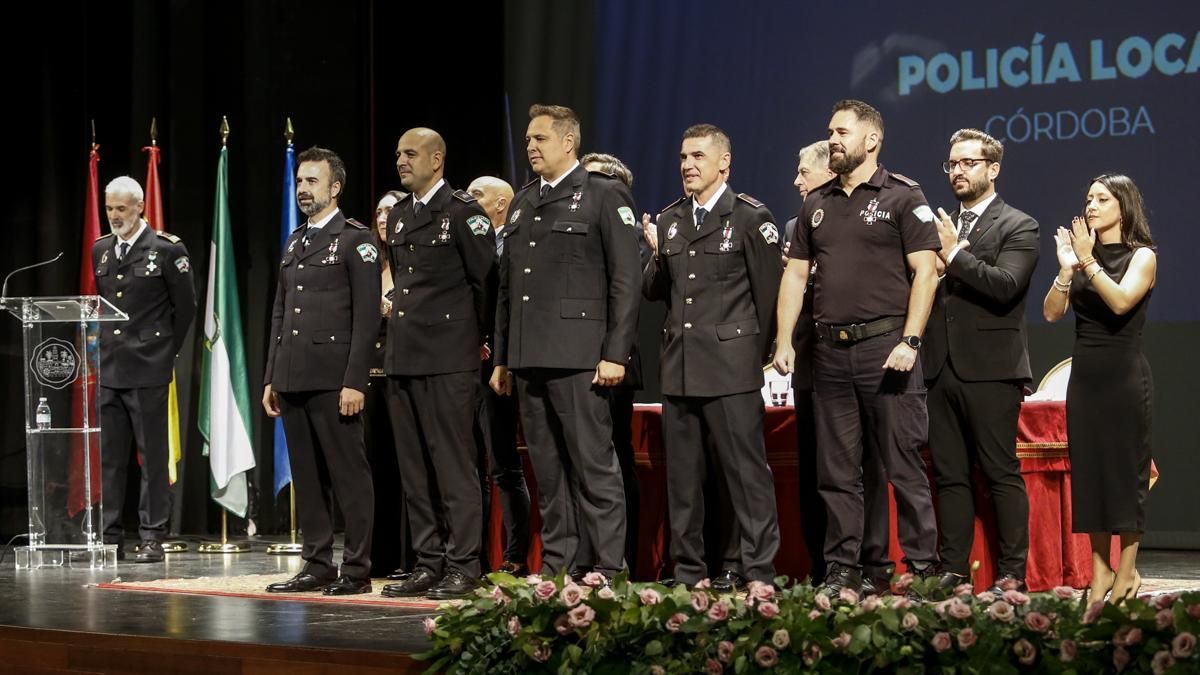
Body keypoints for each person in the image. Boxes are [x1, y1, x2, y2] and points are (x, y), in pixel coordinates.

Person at [774, 99, 941, 595]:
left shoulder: (903, 196)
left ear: (871, 140)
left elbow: (926, 272)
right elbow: (796, 275)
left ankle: (923, 568)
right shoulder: (816, 202)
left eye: (842, 131)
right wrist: (784, 339)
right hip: (829, 354)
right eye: (830, 131)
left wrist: (910, 340)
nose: (833, 139)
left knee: (902, 463)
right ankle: (844, 569)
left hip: (886, 349)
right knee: (837, 471)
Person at [490, 104, 640, 581]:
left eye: (540, 139)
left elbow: (625, 280)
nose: (530, 147)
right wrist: (503, 357)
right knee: (549, 472)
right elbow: (510, 288)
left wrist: (615, 352)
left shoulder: (603, 194)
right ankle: (561, 566)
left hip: (580, 356)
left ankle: (609, 566)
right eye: (528, 140)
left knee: (594, 466)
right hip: (529, 356)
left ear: (568, 142)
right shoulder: (524, 202)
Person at [642, 124, 783, 589]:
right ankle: (689, 572)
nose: (687, 165)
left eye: (698, 156)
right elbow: (656, 291)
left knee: (745, 476)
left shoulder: (749, 217)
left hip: (730, 366)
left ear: (724, 162)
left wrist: (756, 354)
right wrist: (655, 255)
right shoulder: (670, 220)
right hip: (680, 366)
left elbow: (767, 295)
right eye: (683, 157)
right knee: (683, 480)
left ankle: (757, 569)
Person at [379, 128, 497, 600]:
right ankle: (427, 561)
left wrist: (480, 342)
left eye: (410, 154)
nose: (401, 161)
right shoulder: (403, 215)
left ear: (437, 158)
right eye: (398, 153)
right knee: (414, 467)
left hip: (449, 357)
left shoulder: (463, 213)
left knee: (452, 464)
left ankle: (464, 564)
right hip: (403, 355)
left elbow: (486, 282)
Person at [925, 129, 1039, 594]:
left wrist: (951, 254)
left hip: (993, 368)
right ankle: (952, 571)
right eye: (952, 163)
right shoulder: (937, 225)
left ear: (993, 169)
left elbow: (1005, 285)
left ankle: (1012, 574)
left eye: (968, 163)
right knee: (949, 475)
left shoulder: (1019, 225)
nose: (958, 171)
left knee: (999, 471)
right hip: (939, 366)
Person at [262, 147, 379, 596]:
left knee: (349, 476)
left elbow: (367, 318)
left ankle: (356, 569)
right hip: (293, 377)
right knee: (307, 480)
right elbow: (279, 314)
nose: (304, 189)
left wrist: (354, 380)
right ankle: (317, 563)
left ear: (335, 187)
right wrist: (272, 376)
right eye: (300, 182)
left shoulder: (356, 240)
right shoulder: (296, 241)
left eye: (313, 181)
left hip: (334, 380)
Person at [1042, 173, 1156, 606]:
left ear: (1123, 206)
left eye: (1102, 199)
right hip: (1086, 378)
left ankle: (1127, 572)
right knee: (1090, 475)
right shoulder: (1080, 257)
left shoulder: (1142, 256)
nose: (1091, 206)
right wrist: (1067, 270)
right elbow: (1052, 313)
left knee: (1125, 476)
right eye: (1088, 198)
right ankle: (1100, 571)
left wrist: (1088, 262)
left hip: (1124, 377)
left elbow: (1122, 301)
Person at [93, 176, 195, 563]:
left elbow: (185, 308)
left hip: (149, 366)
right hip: (110, 367)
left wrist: (164, 351)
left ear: (139, 207)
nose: (114, 216)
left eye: (121, 208)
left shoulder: (167, 250)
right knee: (110, 459)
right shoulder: (100, 249)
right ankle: (109, 535)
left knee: (153, 457)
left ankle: (152, 534)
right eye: (109, 209)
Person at [579, 152, 643, 576]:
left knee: (612, 460)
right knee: (579, 463)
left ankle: (622, 559)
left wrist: (614, 354)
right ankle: (584, 556)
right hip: (574, 358)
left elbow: (625, 289)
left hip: (613, 360)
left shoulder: (623, 228)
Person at [467, 175, 531, 575]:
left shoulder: (514, 241)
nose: (469, 200)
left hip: (506, 363)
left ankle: (516, 553)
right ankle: (473, 555)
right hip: (470, 364)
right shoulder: (473, 242)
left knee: (506, 464)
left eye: (478, 195)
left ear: (501, 204)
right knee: (478, 462)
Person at [366, 189, 415, 579]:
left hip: (406, 375)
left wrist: (394, 310)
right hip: (368, 379)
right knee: (373, 469)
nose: (384, 217)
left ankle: (412, 558)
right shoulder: (368, 262)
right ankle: (377, 557)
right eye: (379, 211)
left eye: (391, 210)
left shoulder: (414, 260)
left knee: (407, 469)